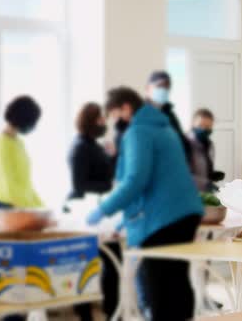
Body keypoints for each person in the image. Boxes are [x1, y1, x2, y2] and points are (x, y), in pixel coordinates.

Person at [86, 87, 204, 320]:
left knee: (159, 288)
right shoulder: (163, 128)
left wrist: (103, 210)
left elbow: (136, 180)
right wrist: (122, 221)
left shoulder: (138, 132)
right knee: (177, 281)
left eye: (114, 115)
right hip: (183, 214)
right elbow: (158, 181)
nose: (114, 123)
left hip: (163, 219)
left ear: (126, 108)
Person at [0, 96, 46, 321]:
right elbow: (9, 186)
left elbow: (25, 183)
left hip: (19, 210)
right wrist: (29, 211)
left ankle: (18, 316)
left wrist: (42, 208)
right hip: (4, 211)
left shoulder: (18, 143)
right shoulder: (0, 144)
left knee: (21, 271)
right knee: (10, 271)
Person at [67, 102, 120, 321]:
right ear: (90, 120)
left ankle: (112, 311)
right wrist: (109, 187)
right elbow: (80, 185)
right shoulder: (79, 146)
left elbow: (107, 172)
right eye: (100, 119)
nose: (103, 123)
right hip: (84, 213)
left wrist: (113, 156)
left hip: (100, 211)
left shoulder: (95, 145)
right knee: (86, 264)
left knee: (113, 261)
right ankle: (86, 313)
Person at [113, 71, 193, 168]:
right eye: (159, 86)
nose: (163, 90)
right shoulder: (137, 112)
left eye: (167, 87)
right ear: (147, 88)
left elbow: (182, 143)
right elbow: (123, 142)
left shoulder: (170, 115)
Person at [187, 108, 224, 192]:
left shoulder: (210, 145)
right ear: (193, 124)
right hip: (187, 193)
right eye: (200, 125)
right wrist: (206, 183)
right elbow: (181, 174)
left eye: (208, 127)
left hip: (205, 194)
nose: (204, 129)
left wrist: (212, 175)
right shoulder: (184, 144)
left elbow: (204, 168)